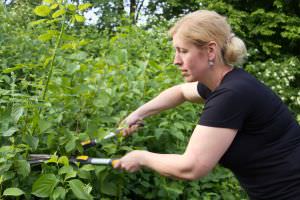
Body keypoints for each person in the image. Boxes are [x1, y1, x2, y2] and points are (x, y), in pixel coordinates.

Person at [113, 10, 300, 199]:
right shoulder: (226, 84)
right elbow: (180, 92)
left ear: (210, 50)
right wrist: (137, 115)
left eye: (183, 51)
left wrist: (141, 157)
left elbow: (191, 168)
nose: (176, 61)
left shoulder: (231, 94)